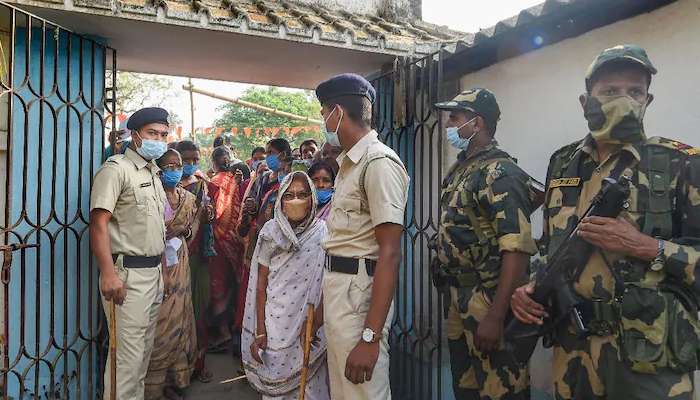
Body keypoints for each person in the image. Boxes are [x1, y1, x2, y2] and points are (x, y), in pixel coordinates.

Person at [510, 45, 700, 399]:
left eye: (635, 92)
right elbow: (553, 246)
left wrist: (645, 245)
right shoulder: (563, 163)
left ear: (649, 100)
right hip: (573, 347)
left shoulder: (680, 164)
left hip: (648, 355)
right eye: (610, 91)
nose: (624, 100)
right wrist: (531, 288)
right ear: (585, 102)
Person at [432, 88, 539, 399]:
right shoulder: (463, 168)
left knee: (501, 388)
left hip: (488, 299)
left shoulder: (500, 172)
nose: (449, 123)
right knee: (466, 389)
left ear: (476, 124)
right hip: (458, 297)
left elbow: (516, 248)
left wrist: (496, 316)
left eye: (455, 117)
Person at [310, 73, 409, 400]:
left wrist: (369, 339)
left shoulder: (378, 163)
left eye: (324, 113)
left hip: (360, 304)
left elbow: (390, 253)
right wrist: (322, 311)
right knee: (345, 393)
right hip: (342, 295)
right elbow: (342, 246)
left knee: (362, 393)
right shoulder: (349, 165)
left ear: (337, 112)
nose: (324, 121)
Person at [89, 107, 170, 400]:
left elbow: (155, 230)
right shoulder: (116, 169)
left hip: (152, 274)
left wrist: (163, 272)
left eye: (163, 134)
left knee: (141, 359)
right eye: (152, 133)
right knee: (127, 361)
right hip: (126, 277)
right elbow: (98, 223)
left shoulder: (153, 173)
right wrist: (109, 275)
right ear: (135, 136)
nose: (159, 140)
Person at [242, 172, 330, 400]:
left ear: (312, 198)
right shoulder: (270, 232)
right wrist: (260, 329)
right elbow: (261, 285)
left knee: (311, 387)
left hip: (311, 323)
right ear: (280, 200)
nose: (296, 200)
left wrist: (318, 320)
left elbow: (328, 283)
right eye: (289, 195)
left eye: (302, 194)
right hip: (275, 322)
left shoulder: (323, 232)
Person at [145, 149, 198, 400]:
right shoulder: (151, 196)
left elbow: (191, 229)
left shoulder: (188, 198)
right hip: (157, 262)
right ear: (159, 168)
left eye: (178, 165)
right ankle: (153, 386)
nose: (176, 169)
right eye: (170, 165)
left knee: (181, 317)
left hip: (180, 262)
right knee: (159, 321)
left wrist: (184, 235)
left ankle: (175, 380)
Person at [175, 140, 215, 383]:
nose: (190, 164)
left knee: (199, 310)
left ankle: (199, 363)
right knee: (175, 313)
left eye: (194, 160)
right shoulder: (162, 186)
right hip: (170, 258)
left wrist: (207, 217)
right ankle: (176, 368)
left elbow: (207, 218)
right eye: (185, 160)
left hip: (197, 257)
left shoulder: (201, 186)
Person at [207, 146, 246, 352]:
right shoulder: (234, 181)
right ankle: (230, 329)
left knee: (218, 286)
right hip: (235, 241)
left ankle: (223, 333)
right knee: (232, 283)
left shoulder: (214, 182)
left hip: (218, 242)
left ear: (213, 162)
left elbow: (215, 213)